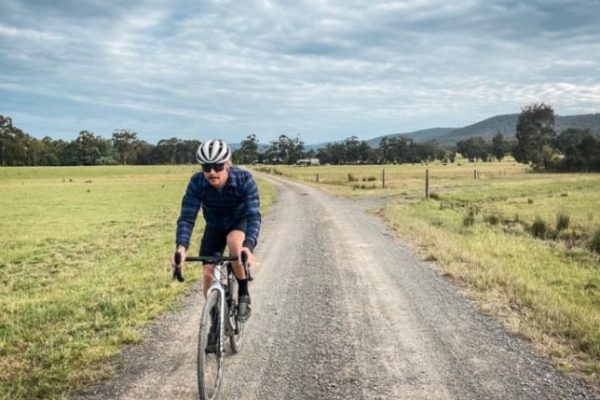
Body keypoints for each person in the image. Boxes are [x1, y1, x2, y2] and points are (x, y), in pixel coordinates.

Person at [175, 139, 260, 348]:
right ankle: (215, 322)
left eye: (217, 166)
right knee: (207, 272)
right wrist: (181, 248)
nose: (212, 172)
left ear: (227, 164)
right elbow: (187, 217)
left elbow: (253, 216)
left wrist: (248, 247)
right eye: (206, 167)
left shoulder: (243, 180)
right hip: (214, 226)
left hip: (238, 221)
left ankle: (243, 291)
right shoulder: (197, 182)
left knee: (234, 244)